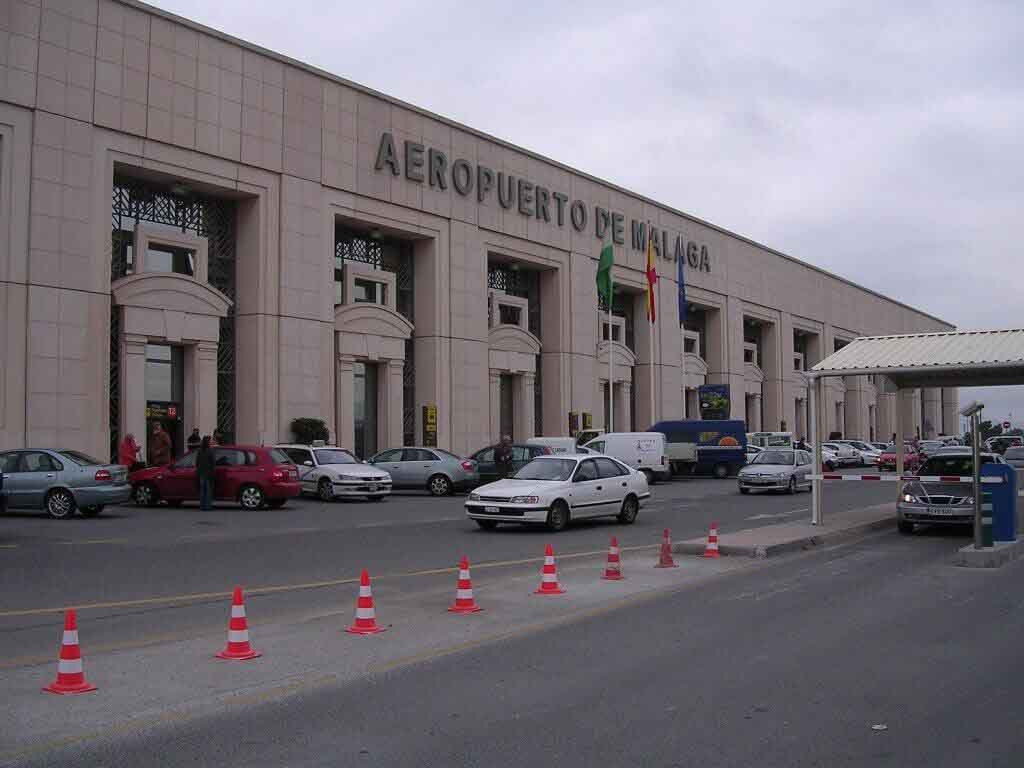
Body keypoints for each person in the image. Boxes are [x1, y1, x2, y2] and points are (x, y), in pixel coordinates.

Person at [196, 435, 215, 511]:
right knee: (208, 491)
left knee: (202, 491)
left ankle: (202, 506)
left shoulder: (200, 450)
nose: (211, 442)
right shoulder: (210, 451)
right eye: (210, 441)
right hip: (208, 473)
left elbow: (197, 462)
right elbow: (213, 462)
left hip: (201, 473)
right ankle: (207, 506)